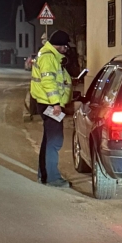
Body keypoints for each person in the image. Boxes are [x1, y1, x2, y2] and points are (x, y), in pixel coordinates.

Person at [30, 30, 73, 187]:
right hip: (50, 104)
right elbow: (49, 82)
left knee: (48, 140)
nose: (66, 49)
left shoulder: (49, 56)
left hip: (46, 103)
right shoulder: (48, 57)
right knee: (54, 141)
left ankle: (44, 174)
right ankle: (52, 178)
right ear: (59, 45)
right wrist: (56, 104)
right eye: (65, 46)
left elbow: (58, 80)